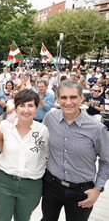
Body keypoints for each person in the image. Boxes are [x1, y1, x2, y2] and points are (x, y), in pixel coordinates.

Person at [41, 80, 109, 221]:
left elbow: (106, 161)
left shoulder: (96, 128)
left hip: (81, 191)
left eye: (73, 97)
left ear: (82, 98)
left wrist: (98, 189)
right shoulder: (50, 118)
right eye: (63, 97)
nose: (68, 102)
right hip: (51, 186)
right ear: (58, 99)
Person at [0, 89, 50, 221]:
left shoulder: (42, 130)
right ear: (16, 107)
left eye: (30, 106)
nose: (26, 110)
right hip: (5, 182)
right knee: (1, 218)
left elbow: (46, 153)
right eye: (22, 105)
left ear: (36, 108)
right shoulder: (5, 126)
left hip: (31, 185)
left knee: (23, 218)